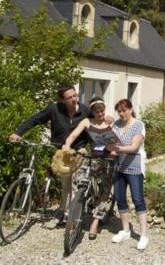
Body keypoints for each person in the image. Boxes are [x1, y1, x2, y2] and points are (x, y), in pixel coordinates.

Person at [9, 85, 91, 223]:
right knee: (65, 184)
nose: (73, 99)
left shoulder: (85, 110)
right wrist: (18, 132)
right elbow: (36, 119)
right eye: (69, 97)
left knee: (76, 184)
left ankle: (73, 218)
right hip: (62, 152)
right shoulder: (54, 109)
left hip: (79, 151)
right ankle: (64, 211)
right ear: (62, 100)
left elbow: (97, 124)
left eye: (74, 95)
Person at [62, 96, 117, 240]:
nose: (100, 114)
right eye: (97, 111)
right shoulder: (87, 122)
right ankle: (73, 218)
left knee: (102, 192)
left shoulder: (110, 123)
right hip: (90, 158)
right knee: (77, 182)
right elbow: (73, 135)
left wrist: (114, 152)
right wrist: (67, 145)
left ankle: (94, 222)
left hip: (105, 160)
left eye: (102, 111)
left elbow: (116, 143)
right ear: (92, 111)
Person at [106, 98, 149, 250]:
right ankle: (125, 230)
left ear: (130, 109)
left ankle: (143, 235)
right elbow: (110, 140)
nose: (121, 113)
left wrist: (115, 148)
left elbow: (134, 147)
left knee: (138, 199)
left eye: (124, 110)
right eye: (119, 111)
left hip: (134, 167)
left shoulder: (139, 125)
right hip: (119, 166)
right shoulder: (116, 124)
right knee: (120, 199)